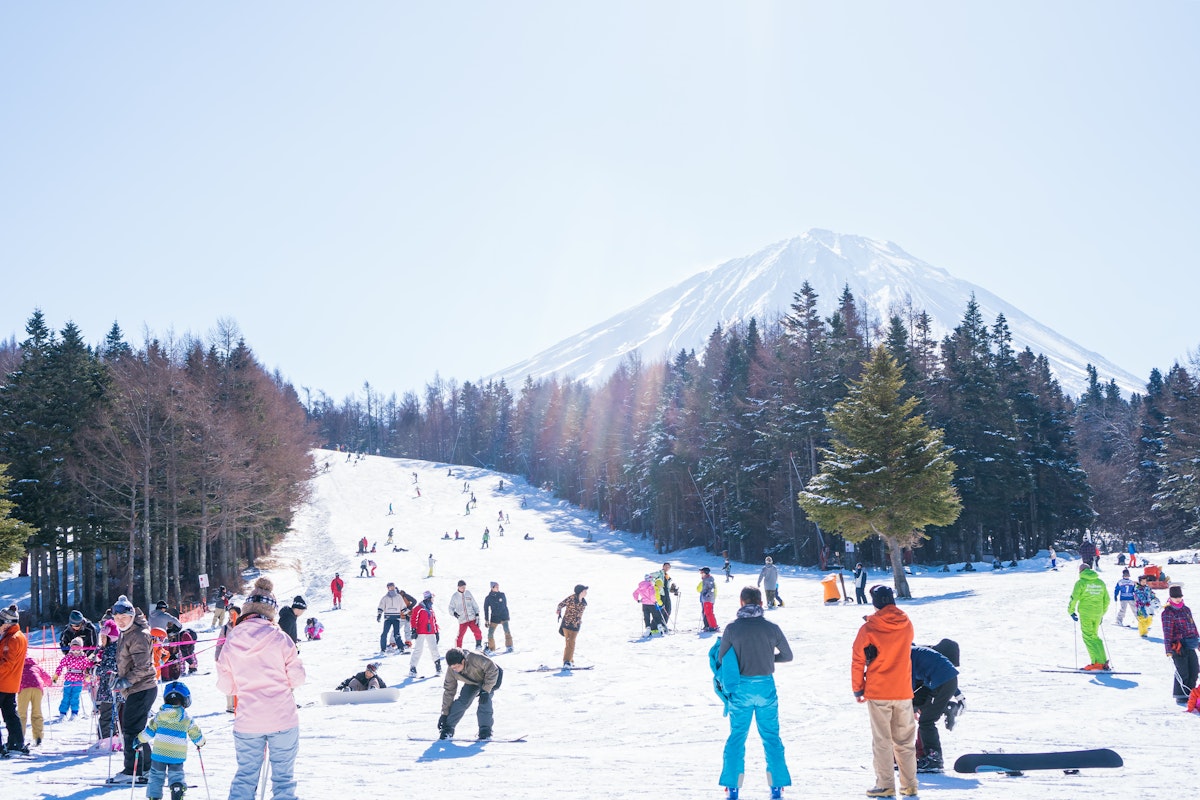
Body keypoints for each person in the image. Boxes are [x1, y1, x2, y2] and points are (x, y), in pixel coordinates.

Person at [215, 577, 307, 800]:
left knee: (246, 776)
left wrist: (244, 684)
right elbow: (297, 678)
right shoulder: (281, 638)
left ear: (247, 610)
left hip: (248, 720)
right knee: (284, 780)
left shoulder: (232, 639)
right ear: (271, 613)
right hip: (283, 718)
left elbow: (226, 684)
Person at [710, 586, 793, 800]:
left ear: (741, 602)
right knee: (771, 736)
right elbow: (787, 655)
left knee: (737, 737)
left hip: (741, 689)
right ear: (761, 603)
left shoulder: (732, 629)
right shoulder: (771, 628)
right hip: (766, 687)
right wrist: (768, 659)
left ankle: (733, 787)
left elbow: (721, 660)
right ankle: (776, 787)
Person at [852, 585, 917, 798]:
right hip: (903, 689)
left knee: (882, 740)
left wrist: (857, 688)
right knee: (905, 741)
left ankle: (885, 784)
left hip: (879, 690)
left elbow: (858, 660)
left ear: (876, 602)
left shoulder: (869, 628)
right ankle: (909, 785)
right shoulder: (906, 624)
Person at [111, 594, 158, 782]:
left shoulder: (138, 635)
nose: (121, 622)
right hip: (137, 688)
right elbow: (128, 662)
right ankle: (146, 766)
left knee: (131, 730)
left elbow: (143, 666)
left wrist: (126, 681)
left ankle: (134, 769)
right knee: (135, 729)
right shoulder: (127, 633)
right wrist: (118, 677)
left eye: (124, 618)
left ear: (132, 616)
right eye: (117, 619)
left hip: (142, 687)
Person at [136, 681, 205, 800]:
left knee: (156, 776)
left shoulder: (159, 716)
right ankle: (177, 787)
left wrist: (138, 740)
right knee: (176, 774)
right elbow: (195, 733)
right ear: (185, 700)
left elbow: (149, 732)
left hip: (159, 754)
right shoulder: (186, 718)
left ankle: (154, 796)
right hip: (177, 755)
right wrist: (200, 742)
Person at [910, 644, 958, 773]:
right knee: (920, 707)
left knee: (926, 721)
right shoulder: (914, 651)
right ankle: (946, 707)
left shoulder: (907, 655)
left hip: (941, 683)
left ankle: (934, 758)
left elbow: (910, 681)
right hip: (939, 682)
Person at [438, 647, 503, 740]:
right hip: (472, 682)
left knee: (484, 701)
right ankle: (448, 729)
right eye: (453, 668)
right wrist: (444, 714)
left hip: (490, 679)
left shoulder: (475, 657)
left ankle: (485, 731)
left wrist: (486, 690)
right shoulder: (451, 671)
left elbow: (493, 669)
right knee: (462, 702)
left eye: (457, 666)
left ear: (463, 661)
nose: (455, 669)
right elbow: (449, 691)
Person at [1068, 563, 1111, 670]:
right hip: (1097, 613)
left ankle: (1096, 663)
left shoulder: (1081, 583)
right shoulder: (1100, 583)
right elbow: (1107, 600)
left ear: (1080, 571)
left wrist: (1071, 611)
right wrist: (1102, 614)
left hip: (1086, 613)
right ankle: (1102, 661)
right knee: (1094, 636)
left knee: (1088, 637)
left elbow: (1074, 598)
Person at [1161, 585, 1199, 704]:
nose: (1177, 599)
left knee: (1194, 669)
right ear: (1170, 597)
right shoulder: (1168, 612)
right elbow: (1167, 632)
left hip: (1190, 643)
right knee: (1183, 672)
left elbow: (1193, 626)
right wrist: (1168, 650)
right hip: (1178, 646)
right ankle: (1181, 696)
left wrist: (1198, 642)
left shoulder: (1186, 609)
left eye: (1179, 597)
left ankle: (1191, 694)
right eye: (1174, 597)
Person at [0, 607, 30, 758]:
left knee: (10, 714)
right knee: (10, 714)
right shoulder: (16, 636)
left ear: (8, 622)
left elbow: (6, 663)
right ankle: (16, 743)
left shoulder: (12, 639)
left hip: (3, 682)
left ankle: (16, 743)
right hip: (10, 683)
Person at [93, 617, 122, 748]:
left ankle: (106, 739)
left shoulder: (111, 650)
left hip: (109, 688)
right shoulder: (113, 648)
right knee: (114, 714)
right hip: (115, 687)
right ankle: (114, 737)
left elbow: (109, 668)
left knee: (106, 714)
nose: (101, 640)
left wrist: (95, 670)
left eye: (103, 637)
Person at [53, 637, 92, 719]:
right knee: (66, 696)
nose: (75, 652)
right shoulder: (68, 657)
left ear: (81, 649)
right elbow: (60, 666)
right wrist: (56, 675)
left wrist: (87, 676)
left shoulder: (84, 658)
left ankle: (74, 712)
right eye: (73, 649)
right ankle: (63, 713)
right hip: (69, 680)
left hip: (78, 681)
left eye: (77, 649)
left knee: (75, 697)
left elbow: (87, 668)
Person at [17, 656, 52, 748]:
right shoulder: (36, 666)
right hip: (37, 687)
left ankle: (20, 737)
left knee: (21, 714)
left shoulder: (19, 666)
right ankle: (38, 737)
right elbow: (47, 678)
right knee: (37, 712)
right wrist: (50, 683)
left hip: (24, 687)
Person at [409, 591, 442, 678]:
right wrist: (414, 629)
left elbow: (434, 621)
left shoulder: (431, 608)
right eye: (432, 598)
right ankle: (413, 667)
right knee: (418, 649)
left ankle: (438, 666)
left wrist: (436, 632)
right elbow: (413, 619)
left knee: (434, 649)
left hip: (430, 632)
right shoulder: (419, 607)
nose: (433, 600)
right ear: (428, 598)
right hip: (421, 632)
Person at [556, 585, 588, 668]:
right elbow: (560, 604)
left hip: (576, 626)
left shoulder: (583, 602)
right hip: (567, 624)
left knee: (570, 643)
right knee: (570, 642)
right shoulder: (572, 598)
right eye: (585, 590)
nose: (586, 592)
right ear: (581, 592)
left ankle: (570, 660)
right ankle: (567, 662)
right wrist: (558, 610)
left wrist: (579, 620)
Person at [449, 580, 483, 650]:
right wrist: (454, 613)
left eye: (464, 587)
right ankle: (458, 649)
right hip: (462, 619)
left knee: (478, 632)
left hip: (471, 618)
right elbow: (450, 608)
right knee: (460, 636)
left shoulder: (468, 593)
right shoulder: (455, 596)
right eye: (462, 587)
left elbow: (474, 604)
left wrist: (477, 614)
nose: (463, 589)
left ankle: (478, 646)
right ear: (458, 587)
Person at [378, 582, 409, 654]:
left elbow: (403, 606)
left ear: (394, 587)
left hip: (396, 618)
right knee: (384, 634)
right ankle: (383, 649)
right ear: (388, 588)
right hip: (388, 618)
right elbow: (381, 606)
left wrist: (406, 613)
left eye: (392, 587)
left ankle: (401, 648)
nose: (391, 588)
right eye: (390, 587)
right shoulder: (385, 598)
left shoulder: (398, 597)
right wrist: (379, 614)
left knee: (396, 634)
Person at [483, 582, 514, 654]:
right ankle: (491, 649)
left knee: (507, 631)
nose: (497, 588)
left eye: (498, 586)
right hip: (494, 618)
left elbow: (504, 606)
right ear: (492, 587)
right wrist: (486, 620)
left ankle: (509, 646)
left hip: (503, 616)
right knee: (490, 633)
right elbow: (486, 609)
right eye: (496, 587)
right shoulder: (488, 598)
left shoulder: (502, 595)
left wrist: (506, 616)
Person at [1133, 574, 1159, 638]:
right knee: (1142, 619)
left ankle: (1145, 628)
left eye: (1145, 581)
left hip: (1149, 606)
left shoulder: (1147, 587)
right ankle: (1143, 633)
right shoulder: (1137, 588)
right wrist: (1145, 602)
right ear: (1140, 582)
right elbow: (1140, 596)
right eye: (1143, 582)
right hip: (1141, 606)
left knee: (1149, 619)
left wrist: (1154, 597)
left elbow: (1150, 593)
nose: (1144, 583)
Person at [698, 567, 719, 632]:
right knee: (707, 613)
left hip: (708, 599)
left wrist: (707, 594)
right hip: (706, 599)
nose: (701, 574)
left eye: (702, 572)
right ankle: (711, 625)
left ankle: (713, 626)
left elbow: (712, 589)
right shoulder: (705, 579)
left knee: (709, 613)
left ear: (705, 573)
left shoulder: (709, 580)